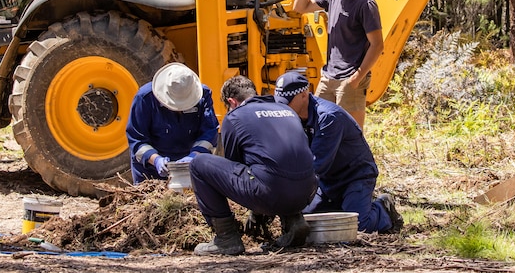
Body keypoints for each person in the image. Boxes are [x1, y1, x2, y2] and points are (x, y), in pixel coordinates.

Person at [189, 75, 317, 256]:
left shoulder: (235, 117)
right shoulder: (285, 109)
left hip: (271, 192)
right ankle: (294, 220)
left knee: (198, 164)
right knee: (281, 169)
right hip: (307, 192)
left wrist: (257, 209)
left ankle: (226, 238)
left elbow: (236, 167)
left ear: (231, 102)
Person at [273, 70, 403, 234]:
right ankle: (342, 207)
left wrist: (290, 193)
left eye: (287, 102)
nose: (283, 108)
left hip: (355, 176)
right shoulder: (290, 116)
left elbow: (316, 165)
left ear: (304, 95)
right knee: (307, 220)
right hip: (329, 180)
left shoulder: (328, 117)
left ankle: (383, 209)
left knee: (358, 227)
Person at [292, 0, 384, 127]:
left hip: (350, 78)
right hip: (328, 77)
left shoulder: (365, 4)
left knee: (350, 134)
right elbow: (299, 7)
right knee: (317, 126)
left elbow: (377, 45)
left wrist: (357, 77)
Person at [125, 63, 219, 184]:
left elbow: (210, 132)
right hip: (150, 169)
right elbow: (136, 139)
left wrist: (195, 155)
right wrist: (155, 159)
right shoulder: (145, 98)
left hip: (190, 166)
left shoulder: (203, 95)